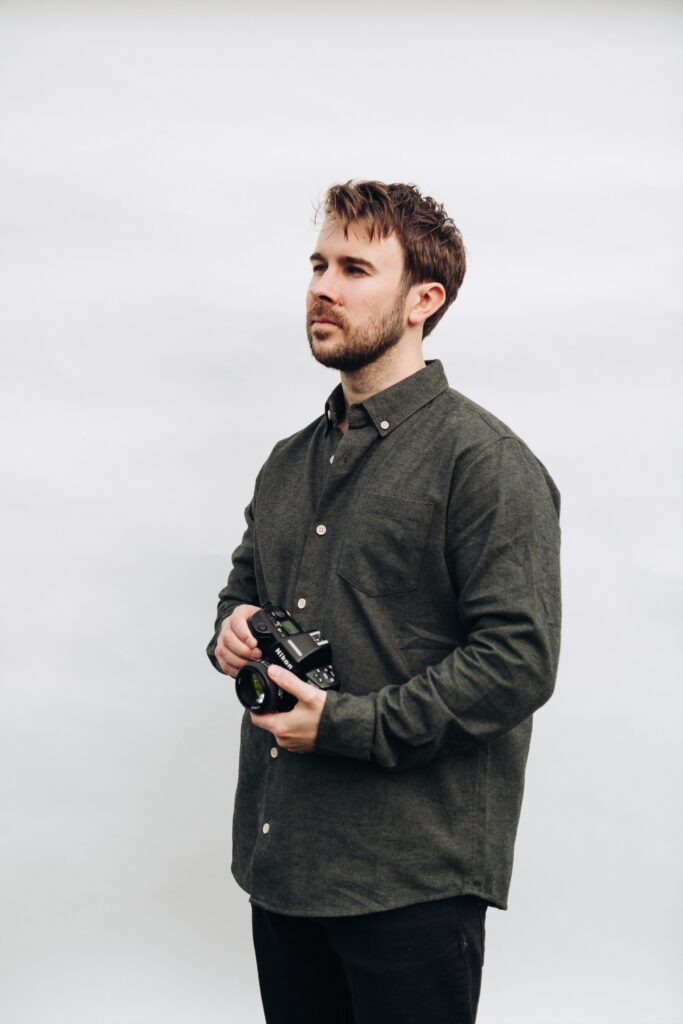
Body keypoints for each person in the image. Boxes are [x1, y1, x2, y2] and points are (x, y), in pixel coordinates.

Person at [206, 180, 561, 1024]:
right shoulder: (288, 462)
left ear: (422, 300)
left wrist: (345, 725)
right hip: (283, 866)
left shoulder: (484, 463)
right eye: (318, 264)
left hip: (409, 884)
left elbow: (517, 660)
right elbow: (244, 593)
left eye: (356, 268)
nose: (323, 286)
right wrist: (232, 631)